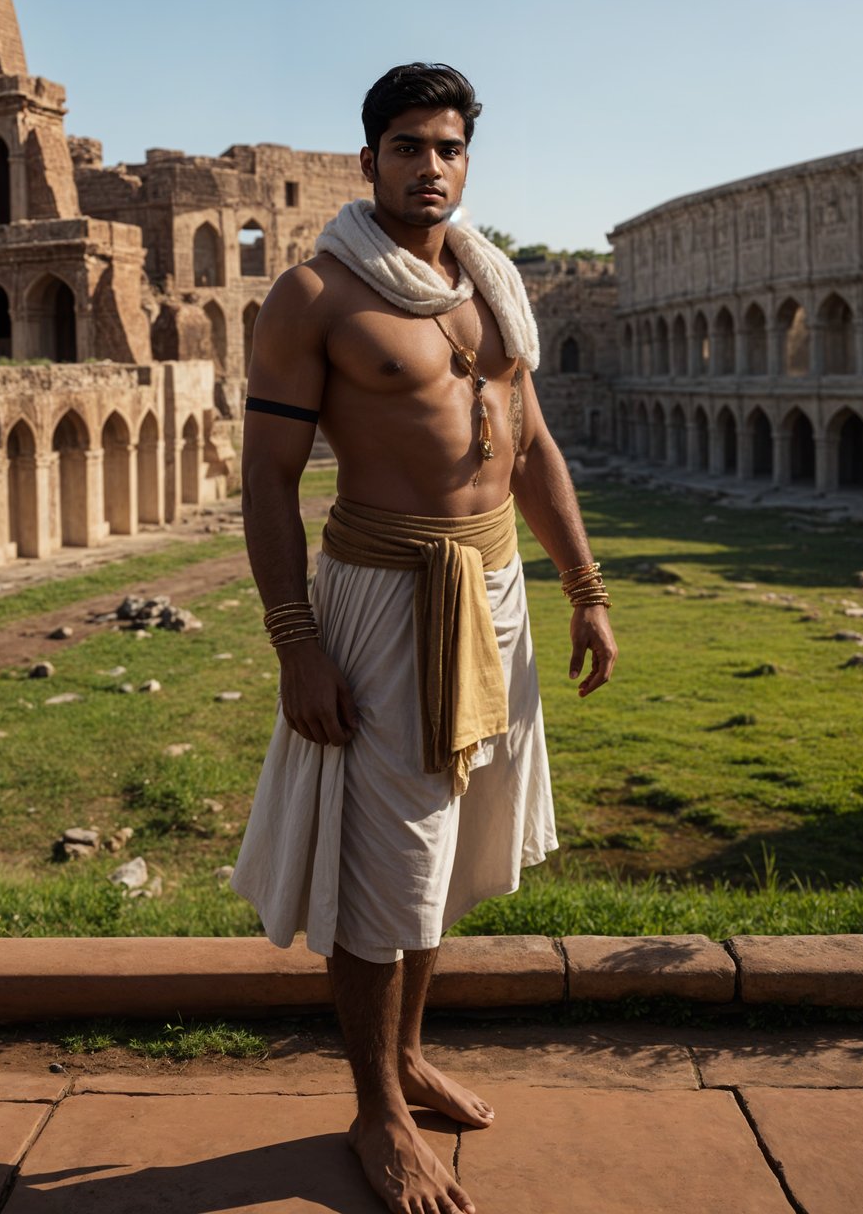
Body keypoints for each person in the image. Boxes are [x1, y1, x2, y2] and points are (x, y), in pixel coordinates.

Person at [232, 63, 618, 1214]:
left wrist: (584, 586)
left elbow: (534, 446)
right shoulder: (315, 296)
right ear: (369, 161)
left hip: (491, 588)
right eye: (408, 146)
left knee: (443, 852)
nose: (431, 166)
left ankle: (405, 1057)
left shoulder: (491, 285)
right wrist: (296, 642)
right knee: (381, 862)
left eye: (448, 147)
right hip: (384, 597)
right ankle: (375, 1115)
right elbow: (266, 481)